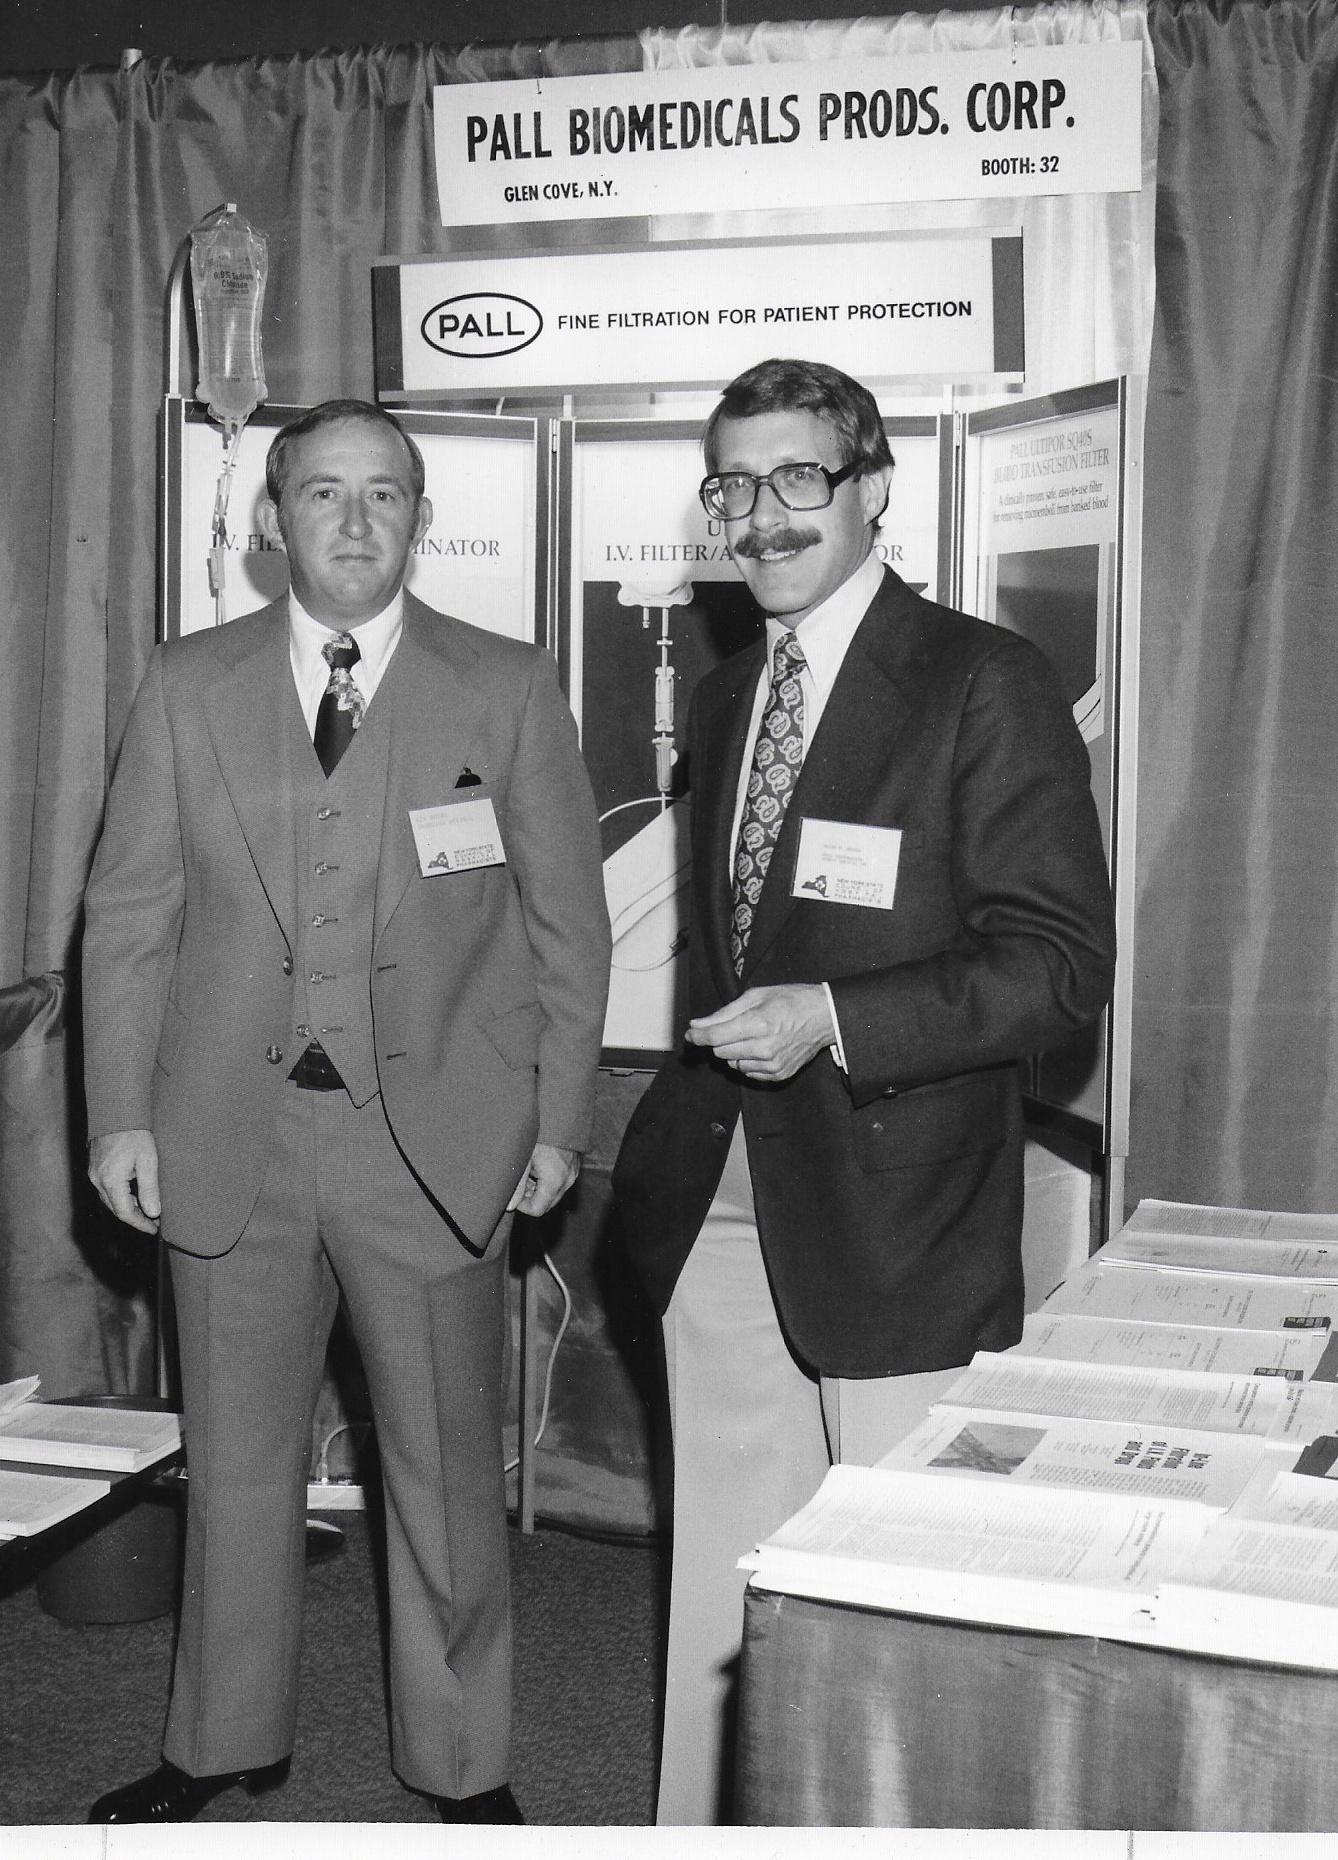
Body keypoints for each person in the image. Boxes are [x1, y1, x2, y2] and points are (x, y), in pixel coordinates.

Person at [82, 398, 610, 1824]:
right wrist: (119, 1117)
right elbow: (128, 918)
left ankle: (462, 1762)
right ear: (274, 520)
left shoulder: (505, 686)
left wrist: (557, 1123)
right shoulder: (187, 683)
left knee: (443, 1470)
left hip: (433, 1146)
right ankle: (221, 1741)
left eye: (386, 493)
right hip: (226, 1139)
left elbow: (569, 927)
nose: (357, 521)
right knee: (235, 1465)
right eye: (324, 492)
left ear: (422, 519)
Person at [611, 358, 1116, 1824]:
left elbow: (1059, 969)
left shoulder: (982, 680)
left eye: (798, 479)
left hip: (899, 1219)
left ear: (874, 489)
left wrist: (836, 1017)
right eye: (734, 485)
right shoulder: (726, 699)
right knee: (726, 1588)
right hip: (721, 1197)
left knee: (890, 1618)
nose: (761, 516)